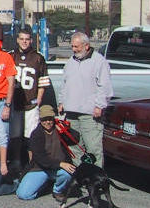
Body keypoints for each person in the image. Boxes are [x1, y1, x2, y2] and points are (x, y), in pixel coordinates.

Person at [58, 32, 113, 167]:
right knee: (75, 148)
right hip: (71, 113)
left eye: (76, 46)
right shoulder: (71, 62)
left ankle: (96, 181)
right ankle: (80, 179)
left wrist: (99, 105)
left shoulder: (99, 61)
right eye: (72, 46)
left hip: (90, 114)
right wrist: (61, 102)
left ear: (86, 46)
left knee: (93, 149)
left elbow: (104, 86)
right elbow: (65, 84)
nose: (74, 49)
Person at [9, 29, 50, 172]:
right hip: (15, 104)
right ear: (17, 40)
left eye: (27, 39)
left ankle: (33, 165)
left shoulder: (38, 58)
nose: (24, 41)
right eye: (22, 39)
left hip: (31, 103)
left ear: (31, 40)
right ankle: (16, 163)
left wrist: (38, 99)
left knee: (31, 138)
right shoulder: (11, 56)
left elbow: (42, 82)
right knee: (15, 136)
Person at [16, 105, 74, 202]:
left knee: (67, 173)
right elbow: (40, 158)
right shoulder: (36, 134)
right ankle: (45, 185)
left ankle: (57, 191)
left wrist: (65, 131)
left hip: (58, 168)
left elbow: (76, 138)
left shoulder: (59, 129)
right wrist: (60, 163)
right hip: (40, 168)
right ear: (40, 120)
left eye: (50, 119)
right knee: (23, 195)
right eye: (44, 119)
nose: (47, 122)